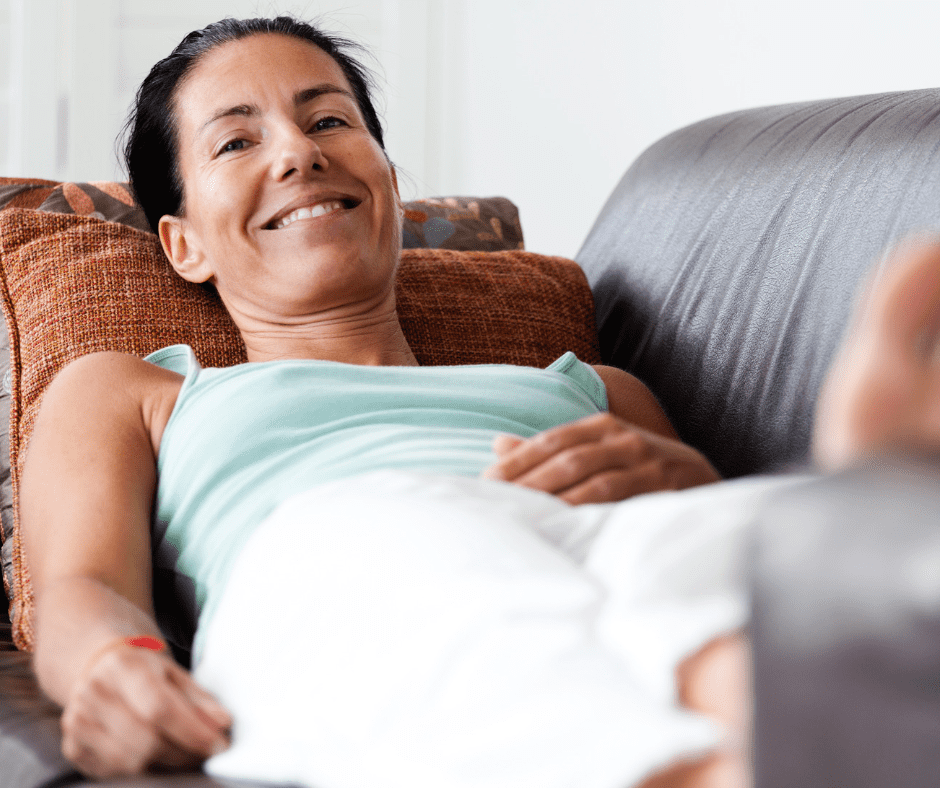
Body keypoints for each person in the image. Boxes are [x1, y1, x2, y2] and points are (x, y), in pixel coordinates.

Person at [16, 14, 940, 788]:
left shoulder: (592, 387)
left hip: (600, 535)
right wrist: (113, 666)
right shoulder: (135, 390)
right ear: (182, 246)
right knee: (433, 573)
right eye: (237, 140)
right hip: (340, 562)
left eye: (330, 120)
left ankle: (851, 595)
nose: (299, 153)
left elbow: (680, 529)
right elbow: (81, 588)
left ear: (383, 178)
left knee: (729, 538)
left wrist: (687, 480)